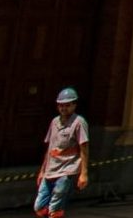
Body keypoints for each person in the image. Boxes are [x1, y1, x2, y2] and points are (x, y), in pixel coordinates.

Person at [36, 88, 91, 218]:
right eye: (61, 105)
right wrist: (42, 171)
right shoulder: (55, 122)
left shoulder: (79, 122)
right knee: (40, 207)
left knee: (55, 207)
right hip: (51, 169)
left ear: (74, 105)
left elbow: (84, 148)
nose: (63, 108)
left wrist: (84, 173)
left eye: (67, 105)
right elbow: (50, 148)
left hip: (66, 170)